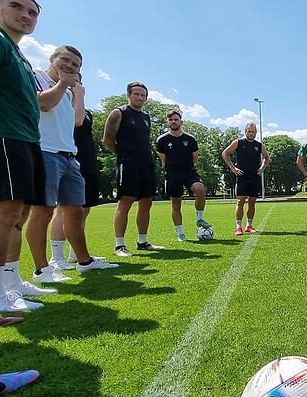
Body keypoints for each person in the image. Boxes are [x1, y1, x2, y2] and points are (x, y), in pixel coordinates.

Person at [26, 45, 117, 284]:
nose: (69, 66)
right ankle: (42, 270)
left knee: (75, 212)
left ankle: (84, 262)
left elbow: (77, 121)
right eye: (65, 60)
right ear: (52, 59)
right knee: (43, 212)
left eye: (75, 65)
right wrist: (63, 84)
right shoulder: (37, 76)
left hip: (69, 156)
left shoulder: (67, 91)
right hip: (45, 151)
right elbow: (43, 104)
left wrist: (75, 91)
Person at [0, 0, 45, 311]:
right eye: (17, 6)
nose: (25, 15)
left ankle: (11, 284)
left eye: (32, 12)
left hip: (26, 139)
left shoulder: (17, 53)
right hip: (4, 136)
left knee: (19, 215)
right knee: (4, 213)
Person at [103, 81, 164, 256]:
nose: (139, 97)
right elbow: (107, 139)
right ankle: (119, 246)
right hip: (128, 164)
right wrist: (123, 155)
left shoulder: (146, 117)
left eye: (143, 95)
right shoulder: (119, 113)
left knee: (147, 203)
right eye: (136, 94)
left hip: (146, 164)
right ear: (129, 95)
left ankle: (143, 241)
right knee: (126, 202)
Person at [48, 90, 101, 266]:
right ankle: (57, 258)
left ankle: (76, 254)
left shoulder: (87, 113)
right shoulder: (58, 105)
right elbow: (75, 123)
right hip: (63, 157)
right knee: (62, 210)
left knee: (82, 210)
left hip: (86, 161)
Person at [156, 109, 211, 241]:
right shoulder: (162, 140)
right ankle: (180, 233)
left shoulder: (190, 139)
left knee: (200, 188)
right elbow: (162, 158)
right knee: (176, 204)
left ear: (181, 121)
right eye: (171, 120)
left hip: (189, 172)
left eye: (176, 119)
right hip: (172, 174)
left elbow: (195, 157)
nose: (173, 122)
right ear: (167, 121)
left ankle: (199, 219)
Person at [222, 122, 269, 235]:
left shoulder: (259, 145)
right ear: (245, 131)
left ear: (256, 132)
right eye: (249, 131)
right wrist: (233, 169)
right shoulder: (238, 142)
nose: (251, 133)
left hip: (255, 177)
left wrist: (262, 169)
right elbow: (225, 154)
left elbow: (267, 158)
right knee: (240, 201)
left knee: (252, 202)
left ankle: (249, 225)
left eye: (253, 131)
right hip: (242, 177)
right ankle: (238, 227)